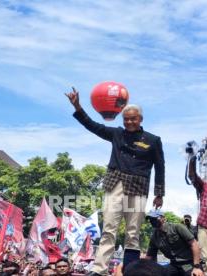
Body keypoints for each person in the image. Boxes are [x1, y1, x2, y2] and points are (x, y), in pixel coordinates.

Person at [66, 88, 165, 275]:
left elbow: (160, 166)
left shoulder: (153, 140)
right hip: (115, 185)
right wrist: (78, 106)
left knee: (133, 233)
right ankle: (99, 270)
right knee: (109, 229)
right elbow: (92, 125)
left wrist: (159, 193)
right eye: (126, 119)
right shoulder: (117, 134)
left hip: (138, 187)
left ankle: (131, 270)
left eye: (133, 118)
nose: (129, 122)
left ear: (140, 119)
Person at [145, 210, 204, 276]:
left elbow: (194, 244)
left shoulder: (177, 227)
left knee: (194, 274)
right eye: (150, 219)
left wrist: (197, 267)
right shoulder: (154, 237)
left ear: (163, 218)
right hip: (174, 265)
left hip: (188, 264)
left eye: (155, 218)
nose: (152, 221)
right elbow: (149, 256)